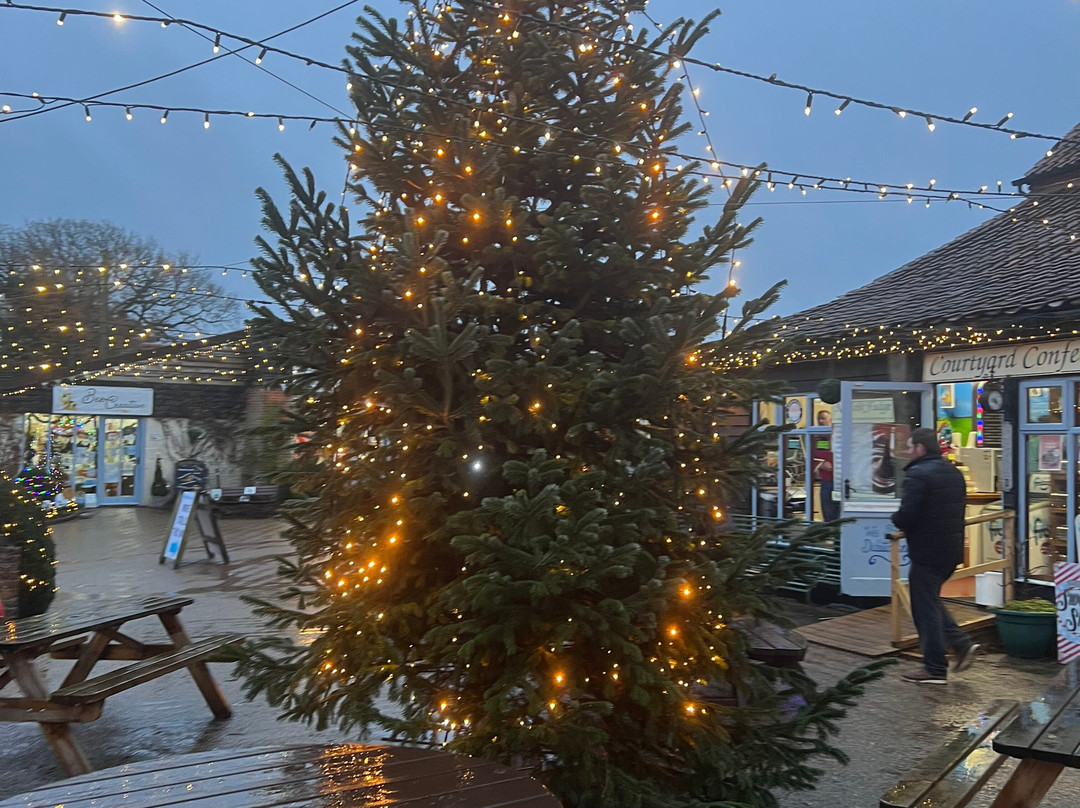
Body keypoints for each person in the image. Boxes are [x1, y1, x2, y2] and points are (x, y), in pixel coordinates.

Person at [891, 427, 978, 684]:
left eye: (909, 447)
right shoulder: (953, 472)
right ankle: (961, 645)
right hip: (950, 549)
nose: (907, 452)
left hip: (927, 550)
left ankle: (934, 668)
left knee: (924, 608)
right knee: (930, 601)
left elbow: (907, 514)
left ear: (920, 448)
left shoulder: (918, 475)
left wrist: (895, 520)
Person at [811, 410, 839, 521]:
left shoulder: (838, 435)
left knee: (841, 512)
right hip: (827, 481)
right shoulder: (816, 437)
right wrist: (820, 464)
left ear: (831, 420)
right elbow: (811, 457)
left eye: (824, 418)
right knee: (828, 512)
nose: (821, 421)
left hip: (841, 479)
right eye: (819, 419)